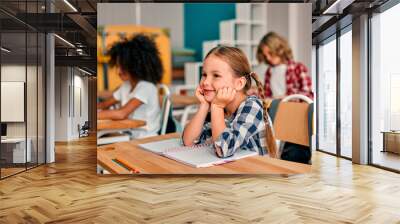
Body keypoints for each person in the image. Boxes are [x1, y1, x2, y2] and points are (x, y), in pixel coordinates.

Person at [182, 46, 278, 158]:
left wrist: (217, 107)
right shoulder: (221, 106)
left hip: (257, 172)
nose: (206, 82)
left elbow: (224, 149)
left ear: (239, 84)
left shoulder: (252, 107)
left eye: (216, 75)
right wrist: (204, 105)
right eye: (204, 75)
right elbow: (189, 141)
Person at [97, 34, 163, 138]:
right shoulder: (126, 85)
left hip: (146, 138)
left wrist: (89, 116)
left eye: (123, 67)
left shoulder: (146, 87)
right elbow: (104, 104)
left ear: (135, 66)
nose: (118, 71)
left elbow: (121, 114)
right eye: (117, 66)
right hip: (130, 135)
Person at [256, 32, 313, 99]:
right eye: (265, 55)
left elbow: (308, 94)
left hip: (294, 108)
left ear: (279, 50)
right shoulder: (269, 72)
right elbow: (267, 95)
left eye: (270, 53)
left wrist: (286, 98)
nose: (268, 58)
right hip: (275, 108)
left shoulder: (298, 68)